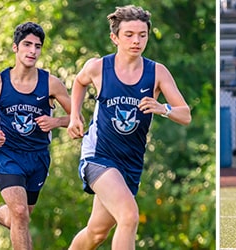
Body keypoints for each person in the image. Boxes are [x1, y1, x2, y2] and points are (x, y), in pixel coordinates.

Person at [64, 6, 193, 249]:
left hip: (130, 163)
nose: (136, 40)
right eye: (129, 34)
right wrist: (75, 116)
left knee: (96, 233)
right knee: (129, 216)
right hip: (98, 157)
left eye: (142, 35)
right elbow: (79, 82)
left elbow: (185, 115)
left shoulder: (157, 72)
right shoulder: (99, 67)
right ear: (115, 38)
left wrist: (162, 108)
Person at [0, 22, 69, 250]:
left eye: (37, 46)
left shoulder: (51, 84)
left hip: (38, 157)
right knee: (20, 213)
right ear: (15, 48)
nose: (32, 51)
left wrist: (56, 121)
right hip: (8, 155)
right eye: (27, 45)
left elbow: (77, 118)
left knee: (19, 218)